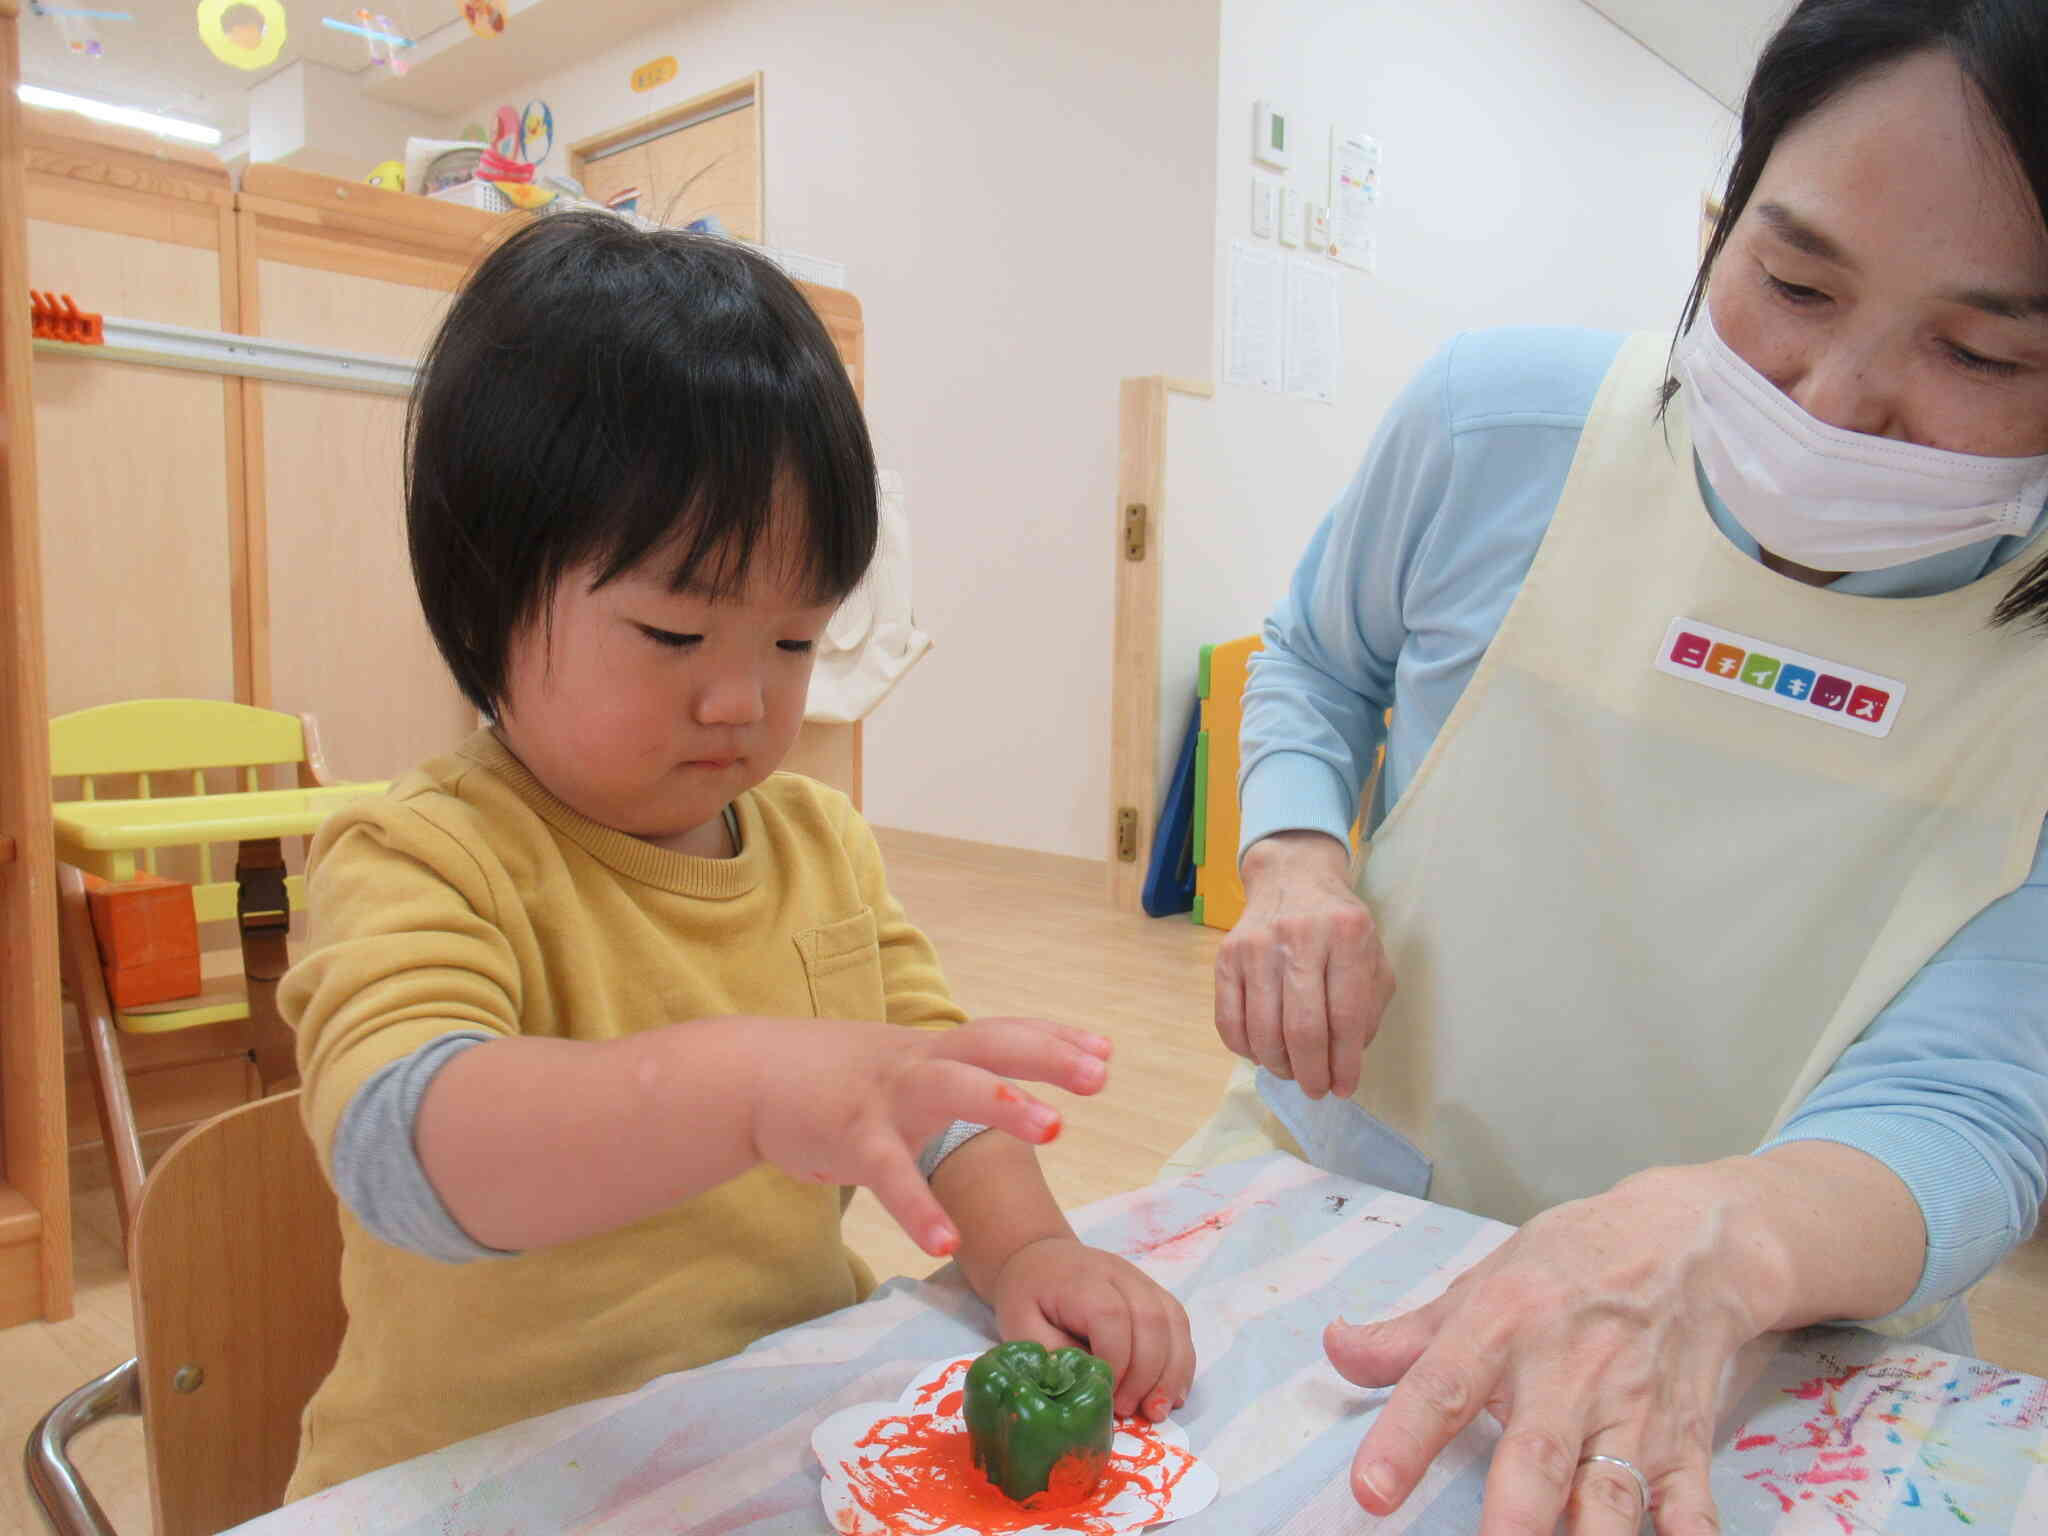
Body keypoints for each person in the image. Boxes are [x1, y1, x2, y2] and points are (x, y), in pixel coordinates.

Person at [1177, 2, 2048, 1530]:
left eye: (1977, 350)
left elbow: (1980, 1103)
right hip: (1366, 1219)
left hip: (1780, 1339)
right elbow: (1320, 656)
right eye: (1790, 279)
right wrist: (1298, 858)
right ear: (1721, 223)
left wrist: (1721, 1242)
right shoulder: (1495, 423)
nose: (1829, 401)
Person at [279, 213, 1193, 1496]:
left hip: (768, 1440)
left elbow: (929, 1102)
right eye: (672, 635)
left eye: (791, 642)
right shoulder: (424, 853)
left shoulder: (818, 840)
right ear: (485, 594)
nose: (740, 702)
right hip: (488, 1479)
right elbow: (406, 1153)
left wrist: (1027, 1248)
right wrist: (744, 1090)